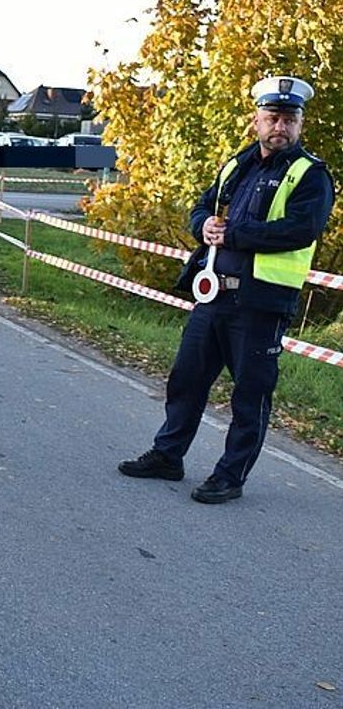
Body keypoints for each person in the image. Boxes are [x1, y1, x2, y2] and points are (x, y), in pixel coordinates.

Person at [118, 75, 336, 504]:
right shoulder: (238, 165)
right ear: (256, 120)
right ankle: (168, 456)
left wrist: (232, 233)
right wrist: (204, 225)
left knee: (250, 395)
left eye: (290, 119)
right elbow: (201, 207)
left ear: (300, 124)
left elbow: (301, 230)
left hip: (261, 302)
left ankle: (230, 476)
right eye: (273, 117)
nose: (281, 127)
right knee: (186, 380)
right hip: (213, 294)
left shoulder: (310, 175)